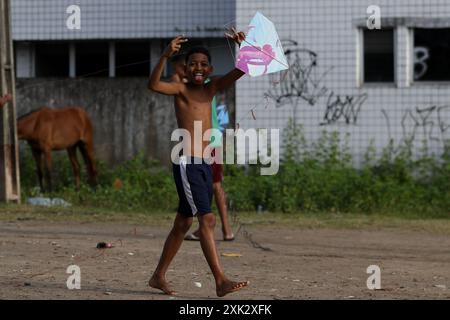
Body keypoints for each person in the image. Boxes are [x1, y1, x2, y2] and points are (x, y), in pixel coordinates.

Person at [147, 31, 248, 297]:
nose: (199, 68)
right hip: (187, 162)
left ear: (211, 69)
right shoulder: (180, 89)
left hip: (204, 163)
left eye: (204, 64)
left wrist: (243, 46)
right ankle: (220, 280)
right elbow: (154, 85)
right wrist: (165, 56)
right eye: (193, 64)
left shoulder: (212, 88)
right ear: (185, 68)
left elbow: (241, 70)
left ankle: (158, 276)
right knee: (208, 219)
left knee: (183, 223)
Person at [170, 55, 234, 242]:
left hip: (209, 142)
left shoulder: (203, 85)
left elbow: (176, 80)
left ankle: (224, 228)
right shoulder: (198, 86)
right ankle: (211, 226)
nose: (178, 72)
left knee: (215, 186)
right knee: (211, 190)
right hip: (212, 140)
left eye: (180, 67)